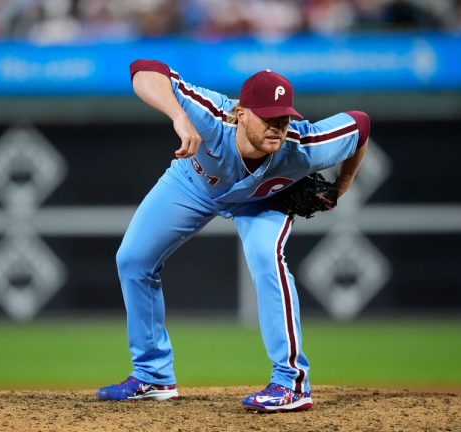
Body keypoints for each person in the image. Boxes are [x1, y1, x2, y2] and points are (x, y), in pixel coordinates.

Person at [96, 59, 370, 412]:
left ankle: (291, 382)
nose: (277, 126)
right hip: (194, 182)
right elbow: (144, 69)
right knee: (133, 260)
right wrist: (178, 117)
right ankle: (152, 375)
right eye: (267, 117)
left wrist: (341, 186)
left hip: (261, 201)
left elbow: (360, 125)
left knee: (265, 258)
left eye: (283, 118)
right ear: (241, 114)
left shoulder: (306, 145)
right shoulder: (210, 115)